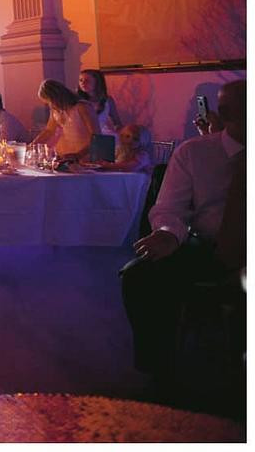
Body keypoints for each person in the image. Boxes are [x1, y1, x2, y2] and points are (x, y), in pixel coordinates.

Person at [121, 79, 245, 381]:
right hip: (213, 248)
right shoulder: (196, 153)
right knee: (140, 275)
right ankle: (160, 373)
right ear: (228, 112)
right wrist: (167, 232)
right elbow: (170, 208)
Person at [33, 79, 99, 159]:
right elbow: (49, 131)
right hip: (66, 156)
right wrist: (32, 146)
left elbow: (97, 136)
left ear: (56, 97)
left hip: (85, 156)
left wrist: (79, 155)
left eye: (49, 102)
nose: (49, 105)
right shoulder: (56, 110)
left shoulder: (82, 107)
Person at [78, 69, 122, 136]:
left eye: (87, 81)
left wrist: (120, 131)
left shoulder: (108, 100)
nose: (83, 83)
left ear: (97, 82)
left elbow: (117, 123)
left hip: (102, 135)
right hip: (82, 137)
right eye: (81, 80)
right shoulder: (77, 101)